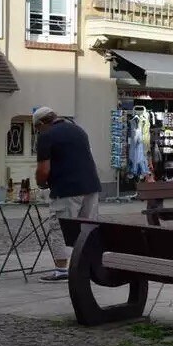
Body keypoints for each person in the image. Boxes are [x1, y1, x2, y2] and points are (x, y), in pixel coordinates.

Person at [33, 106, 101, 282]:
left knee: (59, 228)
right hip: (91, 185)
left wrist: (41, 184)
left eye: (36, 128)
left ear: (41, 123)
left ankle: (61, 270)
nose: (37, 131)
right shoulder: (79, 130)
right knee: (88, 228)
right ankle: (89, 265)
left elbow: (43, 169)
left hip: (66, 188)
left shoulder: (46, 136)